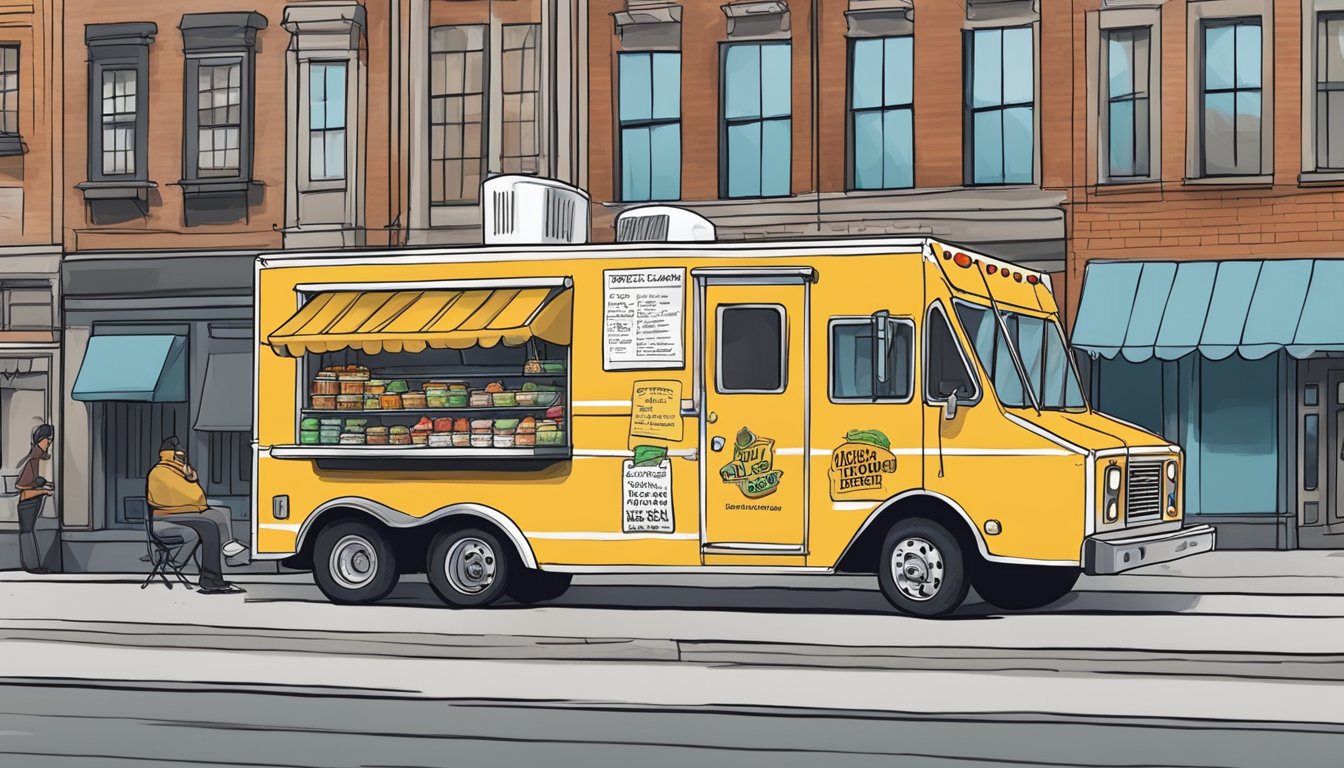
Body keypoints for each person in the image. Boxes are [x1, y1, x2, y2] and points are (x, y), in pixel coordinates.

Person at [146, 436, 249, 594]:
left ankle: (229, 552)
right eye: (178, 455)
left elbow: (194, 497)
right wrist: (192, 483)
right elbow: (187, 497)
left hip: (181, 514)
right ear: (169, 455)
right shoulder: (159, 473)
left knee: (220, 514)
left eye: (182, 455)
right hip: (166, 519)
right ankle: (209, 580)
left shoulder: (178, 473)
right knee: (209, 527)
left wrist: (191, 478)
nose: (182, 458)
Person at [14, 424, 55, 574]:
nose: (48, 443)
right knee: (27, 532)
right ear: (39, 441)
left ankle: (32, 566)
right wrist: (43, 491)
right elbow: (24, 492)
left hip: (30, 505)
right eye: (47, 440)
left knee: (28, 532)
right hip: (27, 505)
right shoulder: (32, 461)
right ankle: (32, 566)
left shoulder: (35, 460)